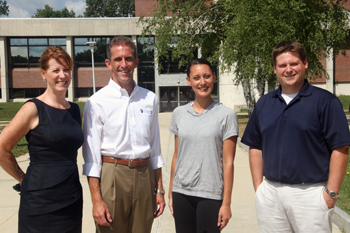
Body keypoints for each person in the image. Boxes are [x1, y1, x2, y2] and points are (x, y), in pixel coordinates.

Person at [241, 40, 350, 233]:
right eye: (282, 65)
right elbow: (255, 146)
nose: (288, 69)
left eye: (294, 64)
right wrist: (259, 188)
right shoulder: (265, 103)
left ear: (305, 64)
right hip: (271, 193)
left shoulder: (326, 102)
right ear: (275, 69)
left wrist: (331, 193)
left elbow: (340, 148)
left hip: (311, 195)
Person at [82, 36, 165, 233]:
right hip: (113, 174)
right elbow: (91, 158)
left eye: (128, 59)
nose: (124, 64)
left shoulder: (149, 99)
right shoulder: (96, 102)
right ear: (108, 63)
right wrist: (96, 200)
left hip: (145, 176)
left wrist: (159, 190)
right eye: (118, 59)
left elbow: (155, 150)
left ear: (135, 63)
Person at [0, 46, 84, 232]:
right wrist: (23, 179)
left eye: (66, 70)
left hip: (71, 196)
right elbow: (1, 148)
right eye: (56, 70)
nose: (62, 75)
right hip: (40, 201)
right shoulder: (33, 108)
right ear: (43, 74)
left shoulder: (75, 110)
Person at [168, 58, 238, 232]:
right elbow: (177, 155)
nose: (202, 82)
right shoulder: (179, 113)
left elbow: (228, 162)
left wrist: (226, 203)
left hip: (211, 194)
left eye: (207, 76)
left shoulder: (226, 115)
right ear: (189, 80)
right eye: (197, 77)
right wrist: (171, 192)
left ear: (214, 77)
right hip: (181, 192)